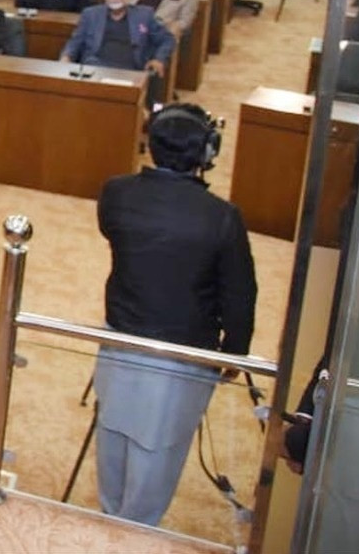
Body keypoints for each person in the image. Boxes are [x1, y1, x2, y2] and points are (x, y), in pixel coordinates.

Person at [94, 103, 256, 527]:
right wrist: (234, 354)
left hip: (119, 340)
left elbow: (115, 234)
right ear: (207, 154)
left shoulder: (116, 193)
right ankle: (134, 531)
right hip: (183, 359)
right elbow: (239, 295)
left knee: (112, 430)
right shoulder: (223, 217)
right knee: (157, 453)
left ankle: (110, 521)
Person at [61, 0, 176, 104]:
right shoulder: (91, 14)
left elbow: (167, 39)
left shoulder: (144, 15)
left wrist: (159, 59)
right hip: (97, 67)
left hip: (132, 70)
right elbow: (75, 40)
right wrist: (67, 56)